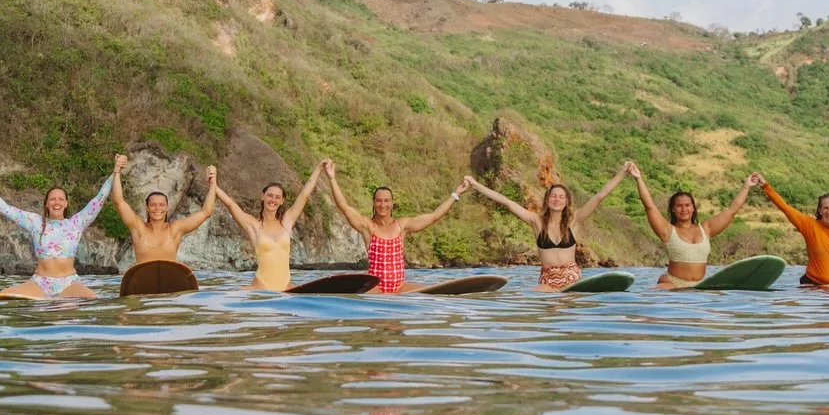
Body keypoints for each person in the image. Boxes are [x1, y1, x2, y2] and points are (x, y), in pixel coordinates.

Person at [465, 163, 630, 290]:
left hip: (571, 277)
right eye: (553, 196)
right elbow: (506, 202)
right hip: (548, 280)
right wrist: (475, 184)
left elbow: (600, 196)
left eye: (561, 197)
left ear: (566, 202)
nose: (557, 199)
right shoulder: (536, 222)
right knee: (539, 295)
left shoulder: (574, 221)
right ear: (547, 199)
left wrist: (622, 172)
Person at [322, 159, 469, 294]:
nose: (383, 205)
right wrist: (332, 178)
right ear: (374, 203)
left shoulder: (402, 226)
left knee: (433, 293)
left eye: (386, 201)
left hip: (399, 289)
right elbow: (344, 207)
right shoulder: (368, 226)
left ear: (392, 204)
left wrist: (456, 194)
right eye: (379, 201)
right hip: (375, 290)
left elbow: (434, 216)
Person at [0, 168, 115, 299]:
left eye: (61, 199)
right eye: (52, 199)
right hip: (40, 283)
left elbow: (100, 198)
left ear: (66, 204)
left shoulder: (76, 223)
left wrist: (115, 171)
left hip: (69, 283)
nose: (56, 202)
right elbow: (5, 208)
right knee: (2, 296)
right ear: (46, 203)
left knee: (92, 299)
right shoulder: (35, 222)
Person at [625, 162, 761, 289]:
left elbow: (731, 211)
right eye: (679, 206)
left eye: (687, 205)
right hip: (673, 284)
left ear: (693, 207)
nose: (684, 209)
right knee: (655, 292)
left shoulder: (706, 229)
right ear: (673, 209)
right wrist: (638, 179)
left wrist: (746, 186)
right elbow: (650, 207)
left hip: (700, 286)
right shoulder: (667, 230)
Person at [214, 161, 327, 290]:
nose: (273, 200)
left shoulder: (286, 222)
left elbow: (305, 194)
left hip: (286, 289)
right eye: (270, 196)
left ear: (282, 201)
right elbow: (230, 204)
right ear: (263, 196)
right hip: (261, 289)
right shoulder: (254, 226)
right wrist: (213, 185)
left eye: (277, 197)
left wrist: (319, 168)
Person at [757, 178, 829, 286]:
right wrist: (765, 186)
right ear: (820, 211)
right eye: (825, 208)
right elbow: (785, 208)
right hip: (812, 288)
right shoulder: (810, 226)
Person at [111, 154, 219, 264]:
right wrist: (117, 171)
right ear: (147, 208)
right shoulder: (139, 228)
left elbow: (206, 212)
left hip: (169, 275)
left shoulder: (175, 229)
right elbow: (119, 202)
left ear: (167, 208)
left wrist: (213, 183)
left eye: (161, 205)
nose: (157, 208)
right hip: (144, 274)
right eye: (153, 205)